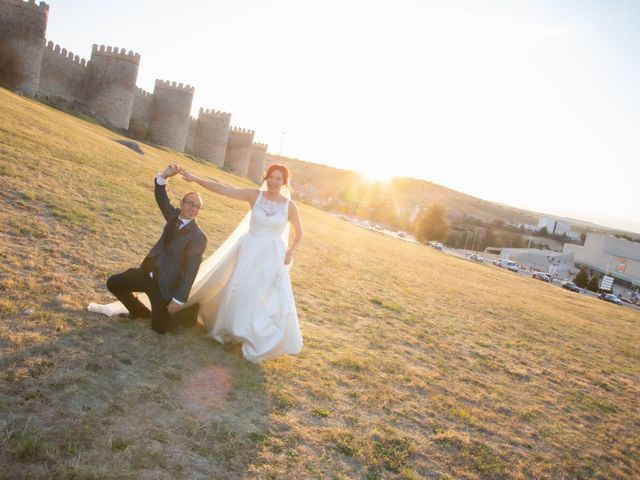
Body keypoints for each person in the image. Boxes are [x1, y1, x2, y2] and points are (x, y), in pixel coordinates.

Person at [180, 163, 303, 363]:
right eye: (271, 176)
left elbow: (299, 233)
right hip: (250, 250)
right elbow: (224, 189)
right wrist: (195, 179)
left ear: (284, 182)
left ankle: (255, 337)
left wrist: (290, 252)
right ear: (266, 177)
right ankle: (233, 329)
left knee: (262, 295)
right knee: (241, 289)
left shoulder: (290, 206)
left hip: (272, 256)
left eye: (278, 178)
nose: (273, 181)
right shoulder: (255, 196)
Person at [105, 164, 207, 334]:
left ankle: (189, 313)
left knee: (160, 328)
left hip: (164, 286)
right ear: (182, 204)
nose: (193, 208)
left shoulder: (199, 237)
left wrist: (179, 300)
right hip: (146, 273)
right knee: (113, 283)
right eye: (190, 203)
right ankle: (139, 311)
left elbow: (191, 271)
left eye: (197, 206)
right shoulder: (174, 215)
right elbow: (161, 198)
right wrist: (164, 176)